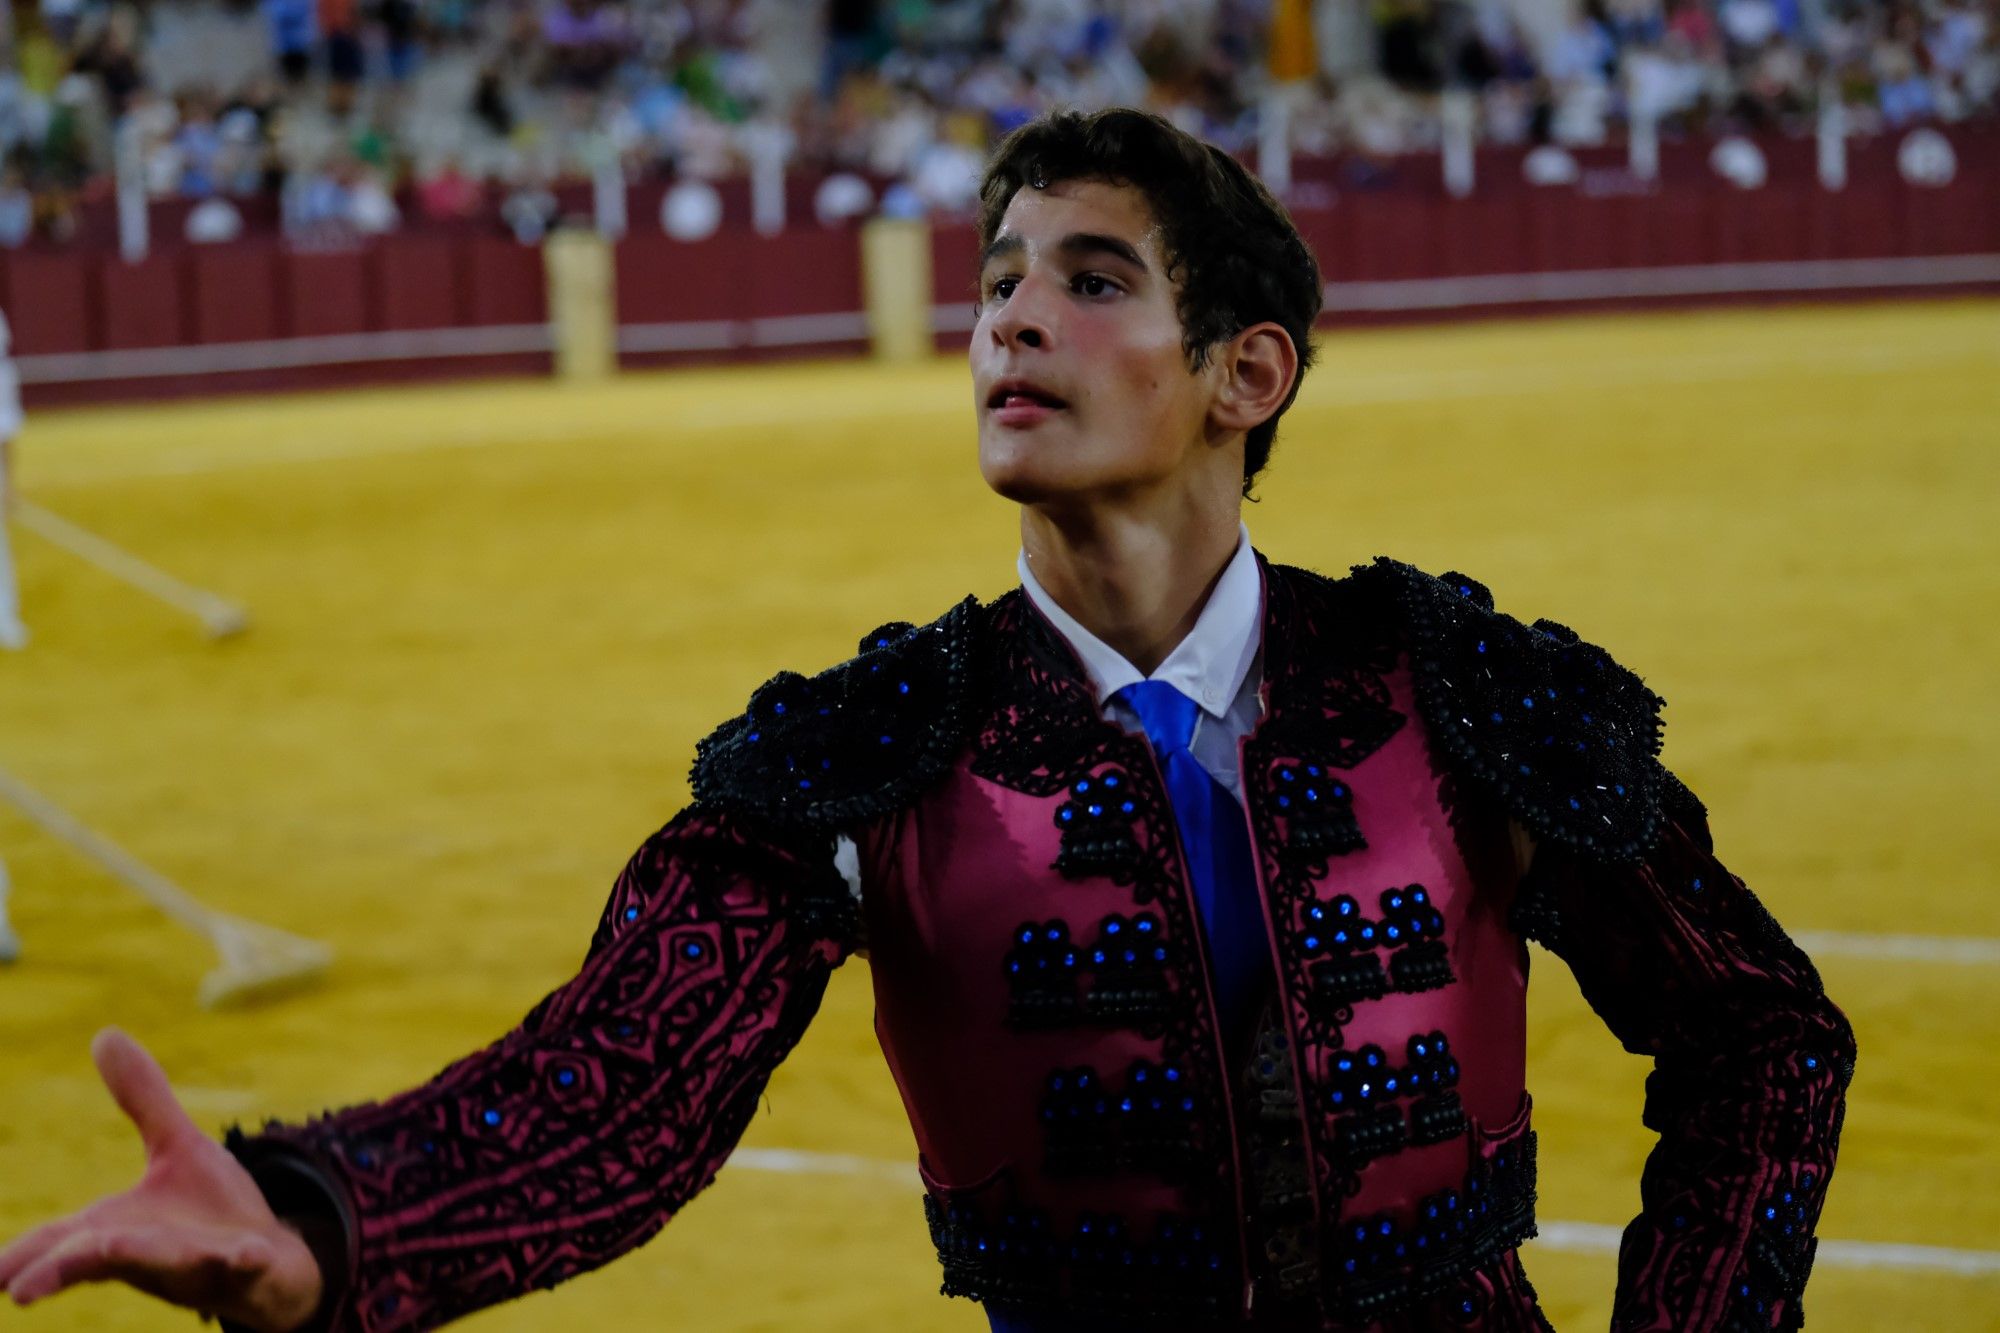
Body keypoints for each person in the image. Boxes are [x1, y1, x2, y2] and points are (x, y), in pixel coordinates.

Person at [0, 108, 1855, 1332]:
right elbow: (621, 1090)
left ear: (1247, 373)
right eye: (995, 286)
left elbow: (1763, 1033)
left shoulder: (1449, 691)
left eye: (1089, 281)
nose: (1008, 325)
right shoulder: (868, 749)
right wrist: (321, 1224)